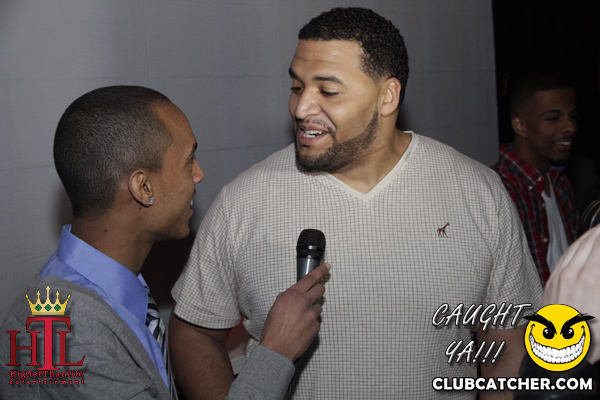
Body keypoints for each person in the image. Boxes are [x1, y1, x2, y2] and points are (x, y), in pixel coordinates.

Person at [169, 7, 542, 400]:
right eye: (297, 87)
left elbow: (507, 342)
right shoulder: (244, 201)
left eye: (328, 91)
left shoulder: (478, 192)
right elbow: (193, 332)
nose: (301, 108)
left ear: (387, 96)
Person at [0, 86, 328, 400]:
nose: (199, 174)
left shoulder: (106, 297)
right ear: (143, 187)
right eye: (188, 161)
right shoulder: (67, 335)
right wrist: (276, 350)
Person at [493, 74, 579, 286]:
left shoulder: (560, 182)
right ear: (520, 125)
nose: (570, 127)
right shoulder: (498, 190)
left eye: (573, 116)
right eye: (553, 119)